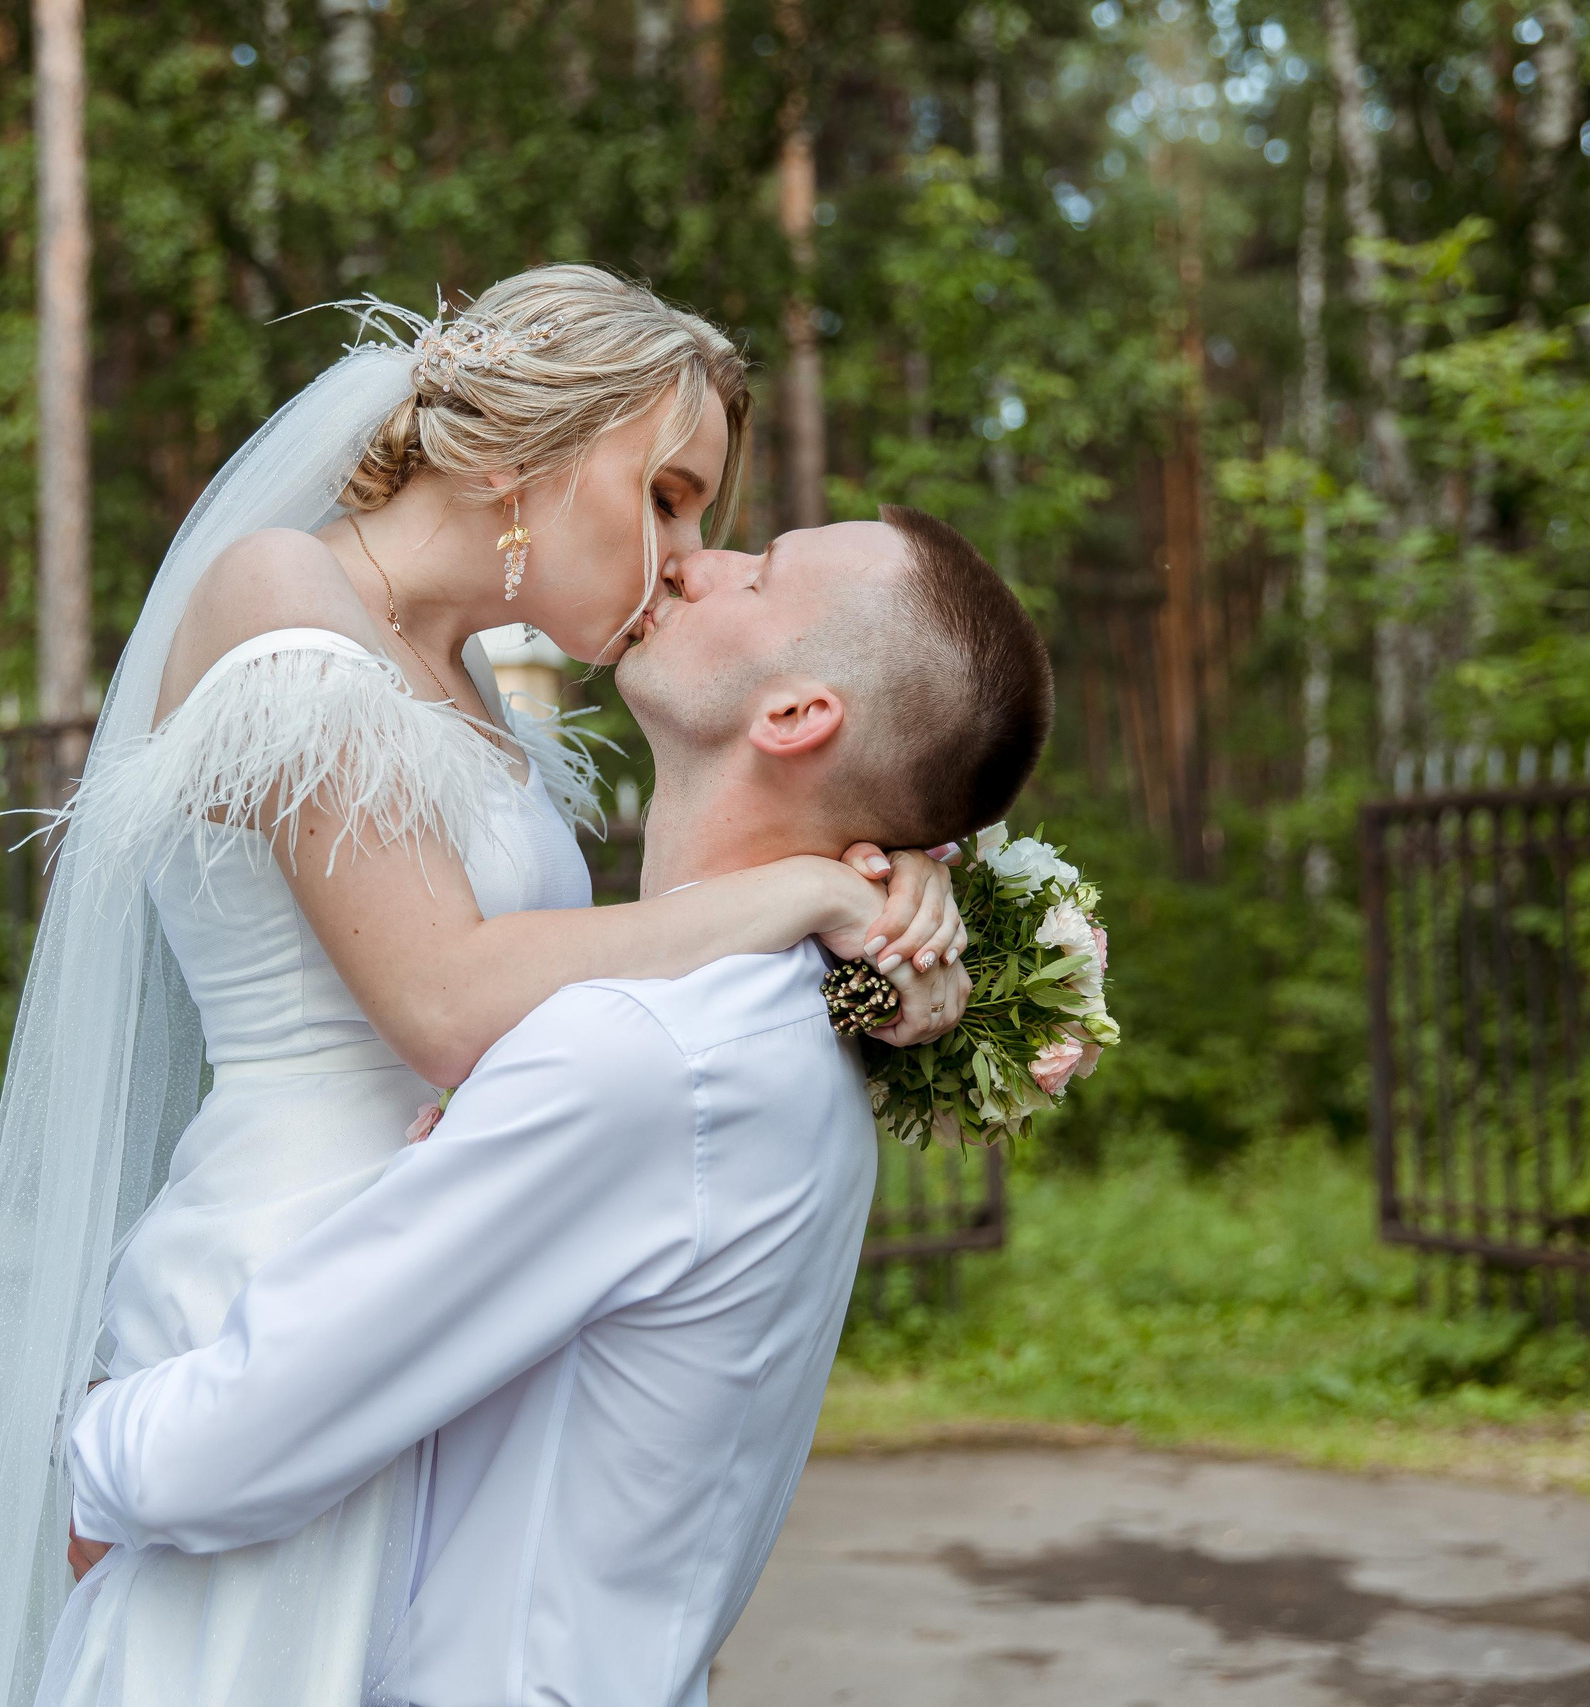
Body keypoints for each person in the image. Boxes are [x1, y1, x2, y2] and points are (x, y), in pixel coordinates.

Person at [0, 269, 978, 1707]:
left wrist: (893, 880)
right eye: (667, 496)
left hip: (450, 1278)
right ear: (539, 446)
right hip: (283, 1272)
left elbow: (582, 1011)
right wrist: (798, 892)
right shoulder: (280, 589)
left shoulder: (472, 680)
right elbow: (445, 999)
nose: (684, 551)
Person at [63, 512, 1054, 1707]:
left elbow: (209, 1462)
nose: (693, 558)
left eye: (760, 570)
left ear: (795, 716)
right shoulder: (780, 1020)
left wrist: (94, 1442)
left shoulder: (645, 1057)